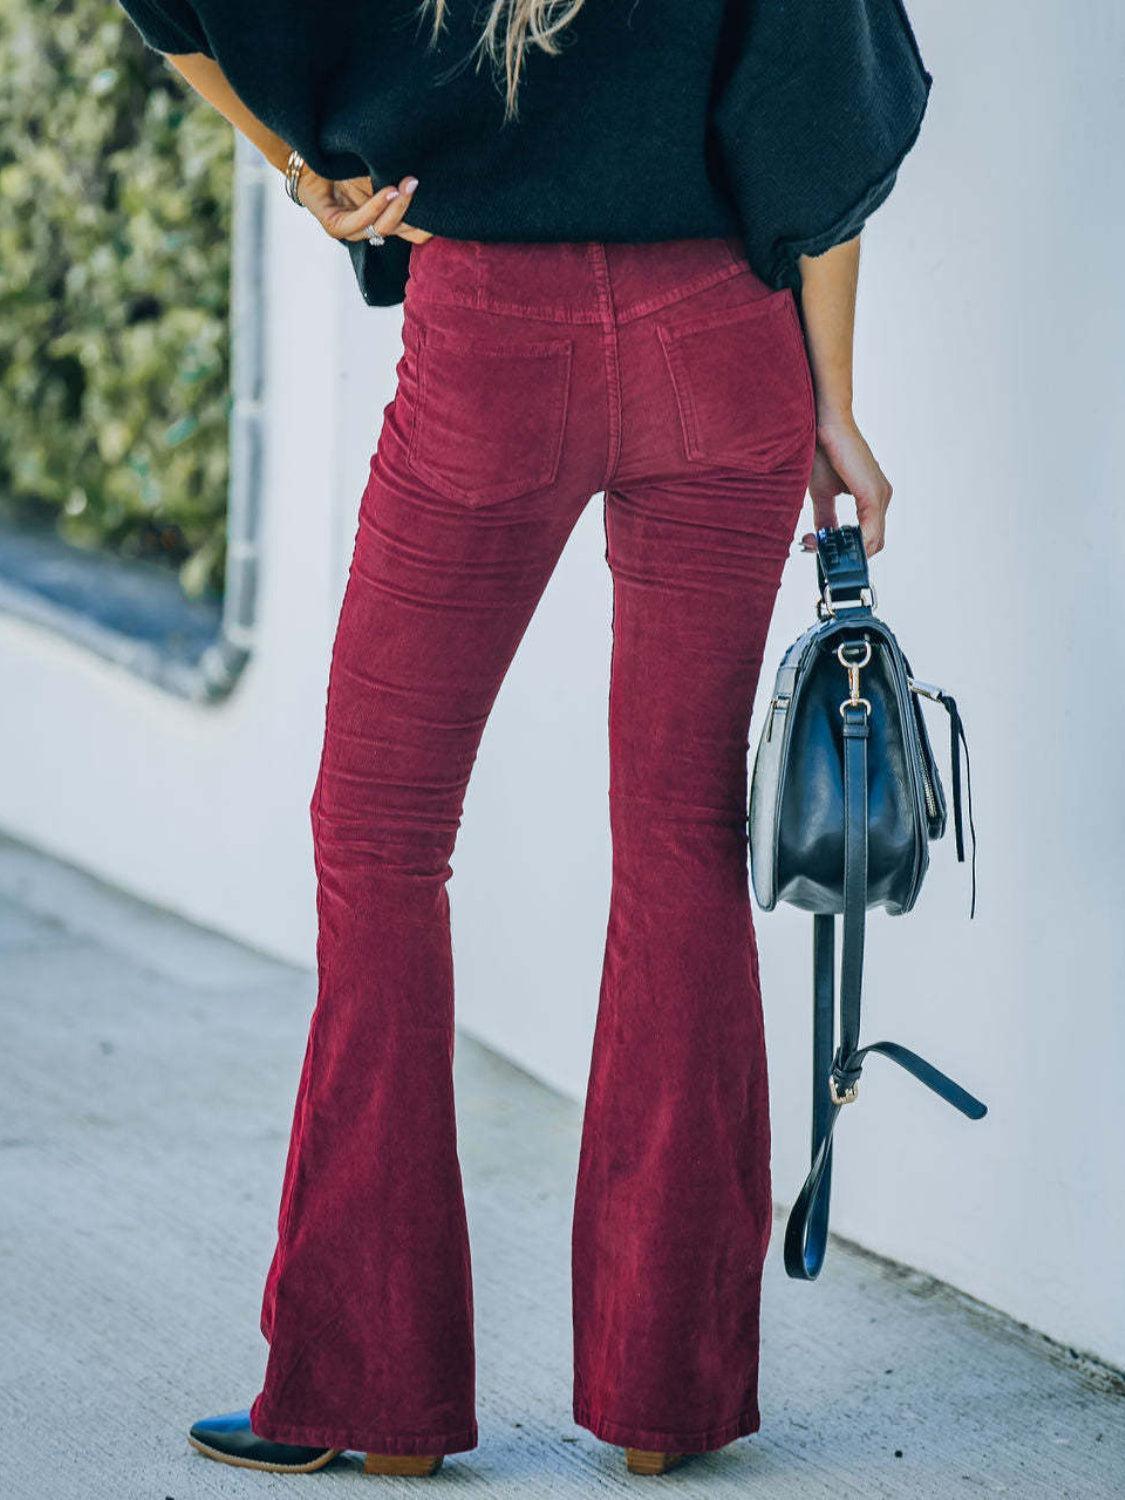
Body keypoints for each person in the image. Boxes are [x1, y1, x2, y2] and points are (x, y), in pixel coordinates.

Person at [116, 0, 929, 1478]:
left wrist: (306, 163)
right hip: (722, 350)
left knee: (379, 842)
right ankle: (666, 1403)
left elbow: (176, 11)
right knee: (682, 842)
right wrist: (836, 408)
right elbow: (825, 130)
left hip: (489, 348)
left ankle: (372, 1399)